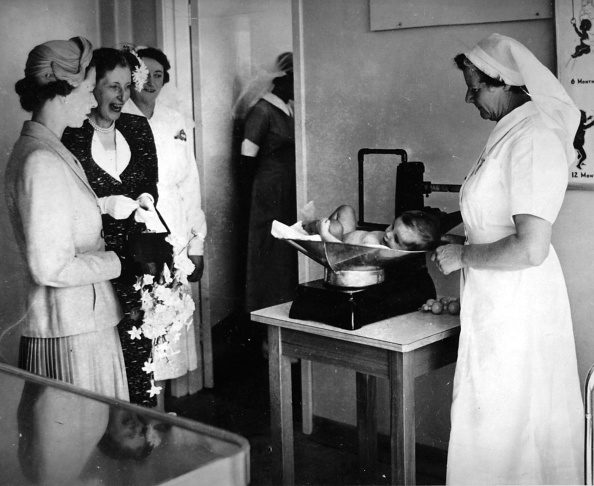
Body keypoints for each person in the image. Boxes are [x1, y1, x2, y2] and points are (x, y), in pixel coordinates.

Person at [432, 33, 583, 484]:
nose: (468, 96)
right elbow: (494, 220)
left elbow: (530, 247)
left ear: (503, 83)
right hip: (498, 299)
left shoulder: (534, 136)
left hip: (519, 306)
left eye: (474, 86)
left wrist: (462, 255)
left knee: (513, 430)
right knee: (495, 425)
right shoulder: (510, 131)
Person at [4, 37, 128, 399]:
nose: (93, 100)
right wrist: (120, 260)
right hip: (71, 333)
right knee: (76, 445)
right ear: (63, 90)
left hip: (77, 324)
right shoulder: (41, 160)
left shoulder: (48, 150)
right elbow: (50, 268)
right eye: (89, 89)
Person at [62, 47, 160, 408]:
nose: (121, 96)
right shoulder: (69, 136)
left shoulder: (138, 127)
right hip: (94, 264)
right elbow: (65, 205)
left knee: (138, 353)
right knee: (103, 362)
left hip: (136, 261)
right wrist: (102, 205)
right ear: (92, 88)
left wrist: (147, 198)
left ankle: (142, 433)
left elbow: (151, 182)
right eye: (111, 86)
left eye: (125, 86)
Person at [123, 46, 207, 396]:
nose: (151, 81)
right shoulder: (118, 117)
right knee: (141, 321)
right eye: (144, 74)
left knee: (170, 317)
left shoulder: (175, 120)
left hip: (176, 227)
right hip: (137, 229)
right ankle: (143, 410)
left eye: (158, 75)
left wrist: (197, 243)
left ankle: (164, 413)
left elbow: (190, 185)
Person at [241, 52, 297, 312]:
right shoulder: (261, 111)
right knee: (267, 249)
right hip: (267, 192)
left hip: (286, 191)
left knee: (284, 251)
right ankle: (263, 311)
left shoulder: (288, 109)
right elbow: (247, 160)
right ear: (281, 79)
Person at [303, 205, 440, 250]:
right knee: (346, 209)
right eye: (392, 226)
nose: (388, 234)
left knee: (336, 228)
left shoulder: (378, 250)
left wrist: (325, 233)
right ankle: (309, 226)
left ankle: (310, 228)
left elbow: (344, 252)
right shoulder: (388, 238)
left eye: (396, 239)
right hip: (350, 234)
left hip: (339, 245)